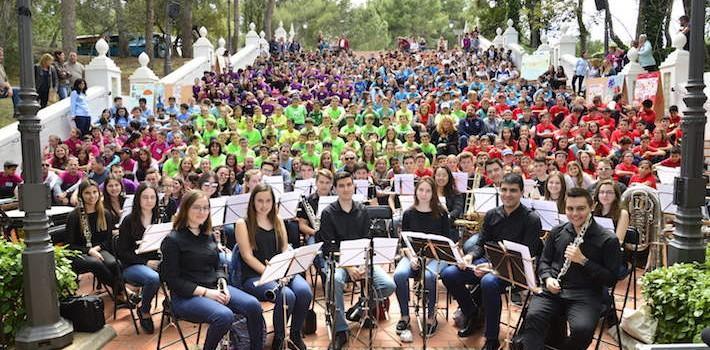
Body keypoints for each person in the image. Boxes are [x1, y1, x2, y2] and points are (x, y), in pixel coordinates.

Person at [440, 174, 543, 350]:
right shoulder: (491, 215)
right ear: (499, 190)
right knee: (448, 274)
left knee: (488, 282)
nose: (507, 194)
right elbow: (481, 243)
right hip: (487, 262)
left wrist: (491, 267)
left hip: (515, 269)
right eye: (504, 190)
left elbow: (527, 254)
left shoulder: (531, 219)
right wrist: (470, 256)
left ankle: (492, 337)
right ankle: (473, 314)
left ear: (521, 192)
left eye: (513, 191)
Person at [516, 188, 621, 349]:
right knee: (533, 316)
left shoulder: (608, 239)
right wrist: (547, 278)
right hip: (553, 290)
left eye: (580, 208)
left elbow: (611, 279)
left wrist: (583, 260)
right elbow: (544, 262)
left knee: (582, 330)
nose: (574, 214)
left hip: (585, 294)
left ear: (592, 207)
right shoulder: (558, 231)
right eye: (570, 209)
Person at [160, 190, 265, 350]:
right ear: (186, 209)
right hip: (185, 297)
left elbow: (217, 266)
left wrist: (222, 283)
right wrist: (206, 293)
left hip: (214, 287)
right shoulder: (172, 240)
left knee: (253, 305)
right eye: (196, 207)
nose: (202, 212)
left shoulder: (207, 235)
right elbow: (173, 281)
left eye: (205, 208)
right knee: (224, 316)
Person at [315, 171, 396, 349]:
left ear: (354, 186)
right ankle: (341, 330)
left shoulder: (362, 210)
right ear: (335, 189)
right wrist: (350, 267)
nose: (346, 189)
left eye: (349, 185)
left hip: (361, 260)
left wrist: (361, 264)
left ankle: (362, 306)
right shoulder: (328, 213)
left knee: (388, 286)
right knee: (334, 280)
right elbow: (329, 246)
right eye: (341, 186)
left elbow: (367, 239)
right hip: (339, 262)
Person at [237, 184, 312, 350]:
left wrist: (285, 270)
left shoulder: (277, 219)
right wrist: (273, 273)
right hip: (256, 276)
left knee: (305, 292)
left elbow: (285, 248)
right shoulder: (242, 223)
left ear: (273, 202)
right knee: (287, 296)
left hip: (282, 272)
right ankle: (279, 339)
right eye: (260, 201)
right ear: (253, 202)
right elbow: (247, 257)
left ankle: (295, 334)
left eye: (268, 201)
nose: (264, 205)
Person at [394, 177, 454, 340]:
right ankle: (404, 316)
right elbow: (404, 243)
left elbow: (445, 244)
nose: (424, 194)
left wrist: (426, 259)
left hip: (436, 257)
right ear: (416, 192)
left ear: (433, 193)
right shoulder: (408, 213)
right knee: (399, 275)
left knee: (428, 276)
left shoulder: (442, 213)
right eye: (421, 190)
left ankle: (430, 316)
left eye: (428, 191)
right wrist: (413, 257)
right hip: (413, 256)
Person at [117, 183, 161, 333]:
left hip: (155, 262)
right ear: (138, 199)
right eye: (145, 197)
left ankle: (171, 306)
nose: (149, 200)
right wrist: (146, 262)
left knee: (177, 268)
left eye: (152, 197)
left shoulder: (160, 217)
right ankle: (144, 310)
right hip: (132, 265)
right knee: (153, 278)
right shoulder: (129, 221)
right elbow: (122, 252)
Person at [65, 179, 121, 295]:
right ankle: (123, 292)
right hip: (79, 252)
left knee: (115, 264)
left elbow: (108, 240)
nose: (92, 196)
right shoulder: (74, 216)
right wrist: (89, 250)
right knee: (95, 263)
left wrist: (96, 249)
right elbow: (70, 245)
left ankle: (119, 293)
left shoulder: (105, 214)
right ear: (81, 195)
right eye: (87, 193)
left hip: (98, 249)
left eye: (95, 192)